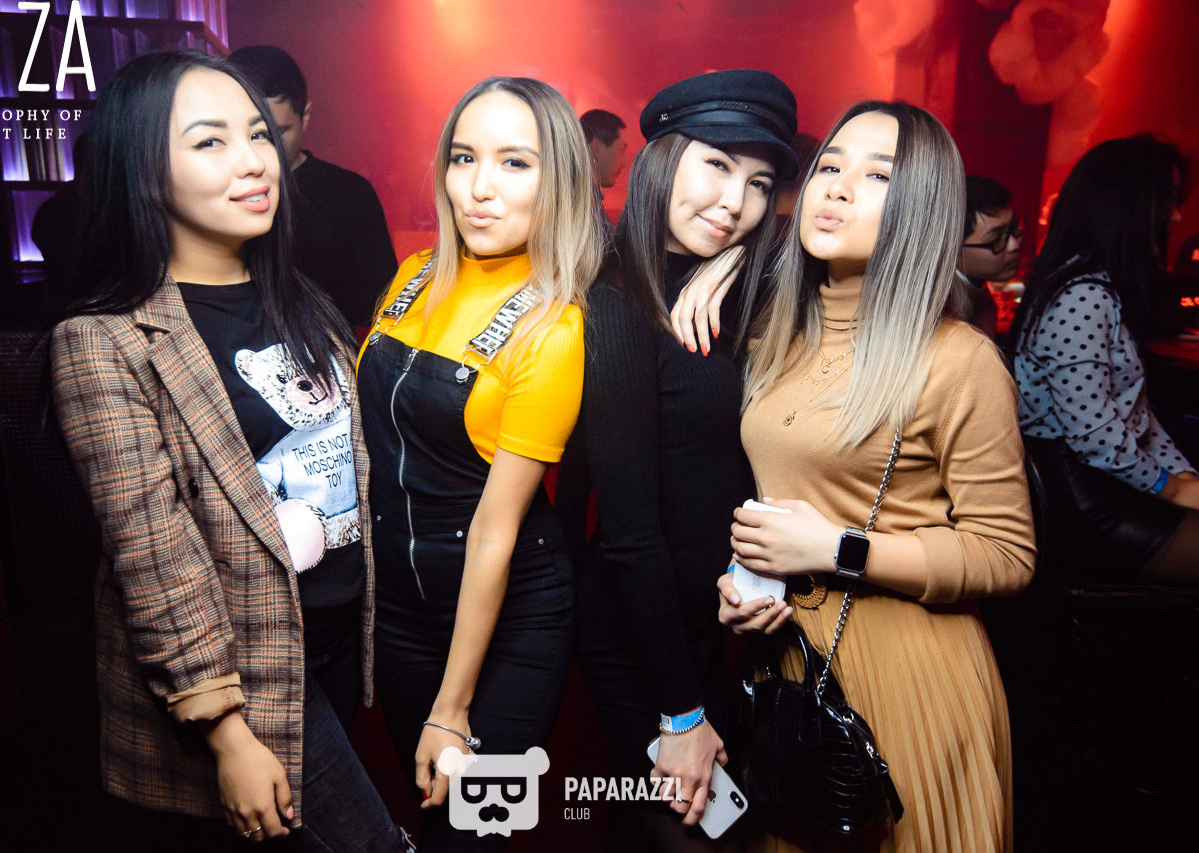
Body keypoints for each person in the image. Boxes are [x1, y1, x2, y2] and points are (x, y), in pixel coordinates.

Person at [49, 50, 410, 851]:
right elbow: (152, 550)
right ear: (144, 169)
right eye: (210, 141)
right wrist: (224, 730)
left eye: (257, 134)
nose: (253, 161)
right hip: (240, 667)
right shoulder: (105, 340)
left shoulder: (301, 301)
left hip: (333, 639)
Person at [707, 101, 1035, 851]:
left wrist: (836, 549)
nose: (838, 186)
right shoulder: (775, 334)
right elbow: (783, 492)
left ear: (921, 207)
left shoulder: (956, 359)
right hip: (792, 667)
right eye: (830, 165)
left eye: (878, 175)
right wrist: (745, 579)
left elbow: (1008, 554)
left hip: (908, 671)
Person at [355, 76, 603, 850]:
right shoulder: (414, 274)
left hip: (511, 618)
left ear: (559, 180)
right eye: (464, 158)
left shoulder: (551, 327)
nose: (479, 187)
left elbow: (495, 529)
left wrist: (453, 705)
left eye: (514, 163)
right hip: (399, 609)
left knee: (476, 832)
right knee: (431, 816)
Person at [555, 69, 798, 850]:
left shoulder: (734, 288)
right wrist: (680, 712)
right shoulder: (619, 302)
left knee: (666, 827)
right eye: (717, 165)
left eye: (758, 183)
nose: (735, 202)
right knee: (702, 830)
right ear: (662, 162)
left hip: (711, 623)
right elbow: (629, 532)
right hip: (639, 632)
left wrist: (741, 262)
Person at [1010, 134, 1199, 582]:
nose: (1175, 216)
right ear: (1126, 205)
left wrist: (1184, 475)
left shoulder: (1100, 287)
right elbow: (1094, 434)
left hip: (1115, 483)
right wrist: (1172, 488)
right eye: (1167, 199)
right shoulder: (1081, 297)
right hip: (1091, 502)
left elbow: (1138, 417)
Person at [229, 45, 398, 327]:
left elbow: (382, 300)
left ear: (305, 117)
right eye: (256, 134)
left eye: (278, 132)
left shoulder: (350, 194)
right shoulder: (219, 196)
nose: (265, 149)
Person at [955, 175, 1022, 338]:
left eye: (1013, 229)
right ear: (953, 250)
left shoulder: (978, 294)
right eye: (996, 239)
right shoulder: (942, 308)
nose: (1014, 245)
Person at [580, 108, 629, 190]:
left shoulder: (566, 188)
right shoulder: (581, 196)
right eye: (621, 150)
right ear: (597, 148)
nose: (624, 164)